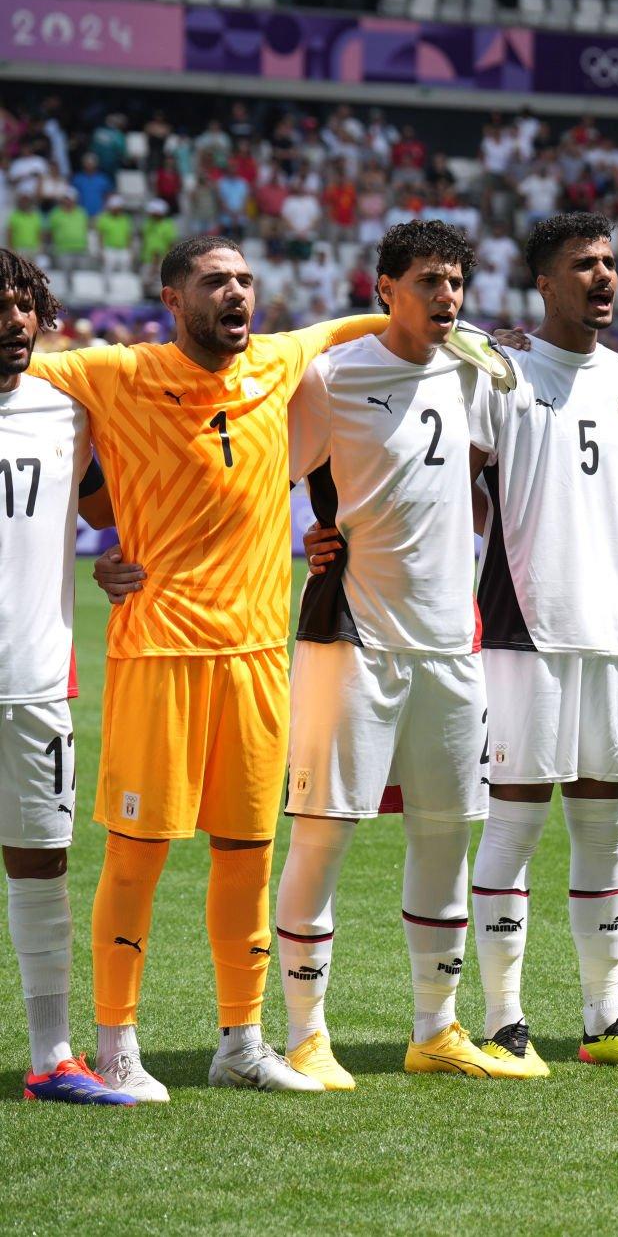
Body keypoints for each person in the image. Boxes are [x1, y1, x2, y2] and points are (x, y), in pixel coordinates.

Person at [30, 237, 386, 1100]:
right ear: (171, 298)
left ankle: (241, 1041)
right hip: (161, 649)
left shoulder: (276, 357)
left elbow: (364, 323)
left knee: (247, 853)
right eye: (213, 282)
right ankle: (116, 1045)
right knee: (138, 855)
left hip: (259, 656)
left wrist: (475, 334)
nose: (235, 294)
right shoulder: (117, 371)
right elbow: (31, 380)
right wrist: (102, 542)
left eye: (244, 281)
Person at [261, 221, 524, 1087]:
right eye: (428, 281)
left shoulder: (472, 372)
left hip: (451, 644)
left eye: (455, 282)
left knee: (446, 836)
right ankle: (305, 1033)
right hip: (354, 638)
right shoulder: (332, 377)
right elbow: (272, 481)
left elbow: (481, 470)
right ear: (384, 287)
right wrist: (312, 535)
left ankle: (435, 1031)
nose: (446, 297)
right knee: (323, 835)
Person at [465, 212, 618, 1075]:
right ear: (543, 283)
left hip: (613, 641)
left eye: (610, 264)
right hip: (525, 633)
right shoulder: (501, 373)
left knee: (606, 830)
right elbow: (446, 467)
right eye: (581, 266)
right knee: (514, 827)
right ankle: (503, 1020)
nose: (602, 278)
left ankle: (605, 1021)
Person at [0, 249, 131, 1104]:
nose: (11, 321)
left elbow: (106, 511)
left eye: (22, 305)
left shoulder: (65, 406)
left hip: (36, 677)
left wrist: (118, 557)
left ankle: (52, 1057)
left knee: (41, 863)